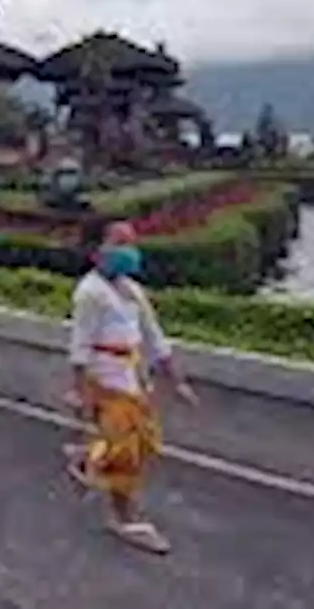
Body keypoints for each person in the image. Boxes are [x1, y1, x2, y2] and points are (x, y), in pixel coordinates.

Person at [64, 232, 197, 555]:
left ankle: (88, 459)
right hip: (106, 380)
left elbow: (155, 336)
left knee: (146, 442)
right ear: (95, 252)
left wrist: (175, 379)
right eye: (118, 243)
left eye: (130, 242)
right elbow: (80, 346)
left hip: (134, 377)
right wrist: (80, 391)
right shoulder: (90, 293)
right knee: (128, 452)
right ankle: (125, 518)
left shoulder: (132, 290)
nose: (128, 250)